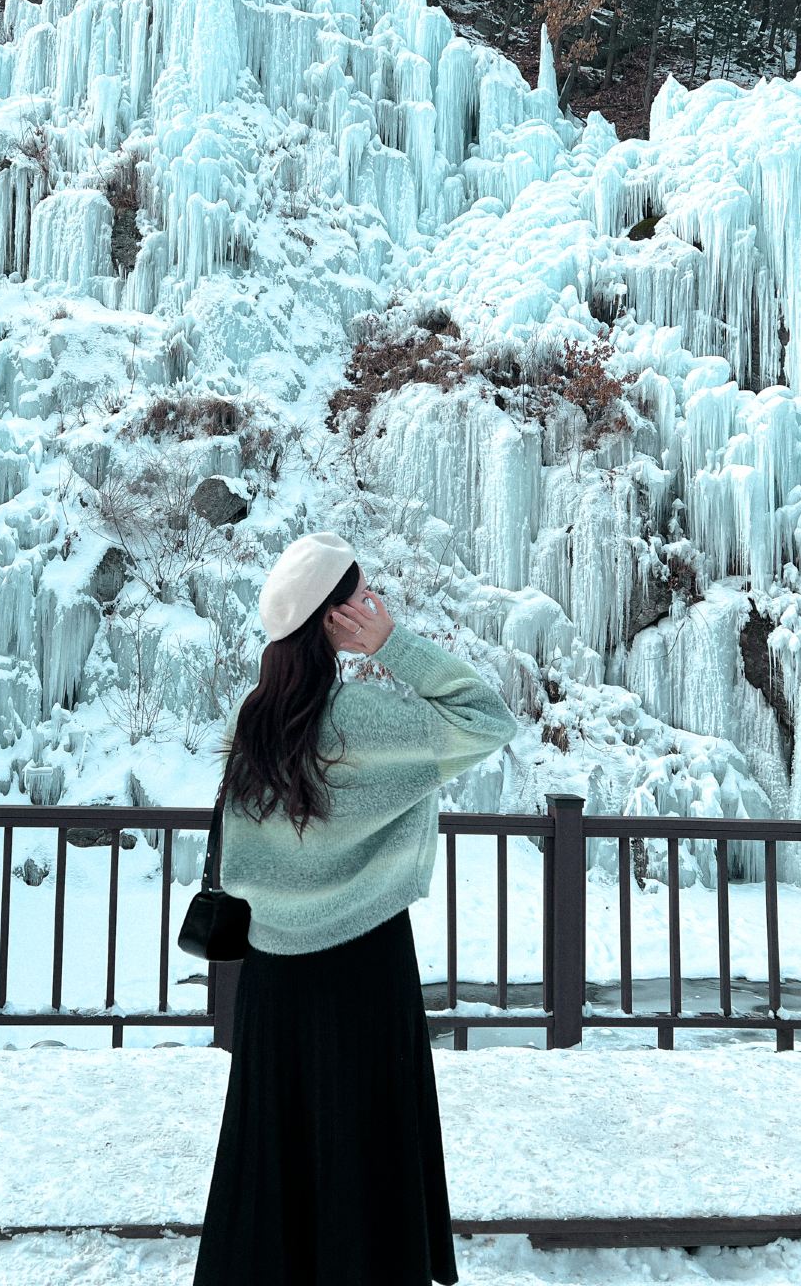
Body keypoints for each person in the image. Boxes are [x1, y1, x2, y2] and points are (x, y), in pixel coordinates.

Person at [191, 531, 519, 1286]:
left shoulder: (256, 720)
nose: (373, 605)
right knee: (366, 1147)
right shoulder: (370, 719)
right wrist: (395, 644)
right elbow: (487, 719)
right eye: (363, 596)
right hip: (366, 964)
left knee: (272, 1151)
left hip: (273, 974)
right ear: (340, 617)